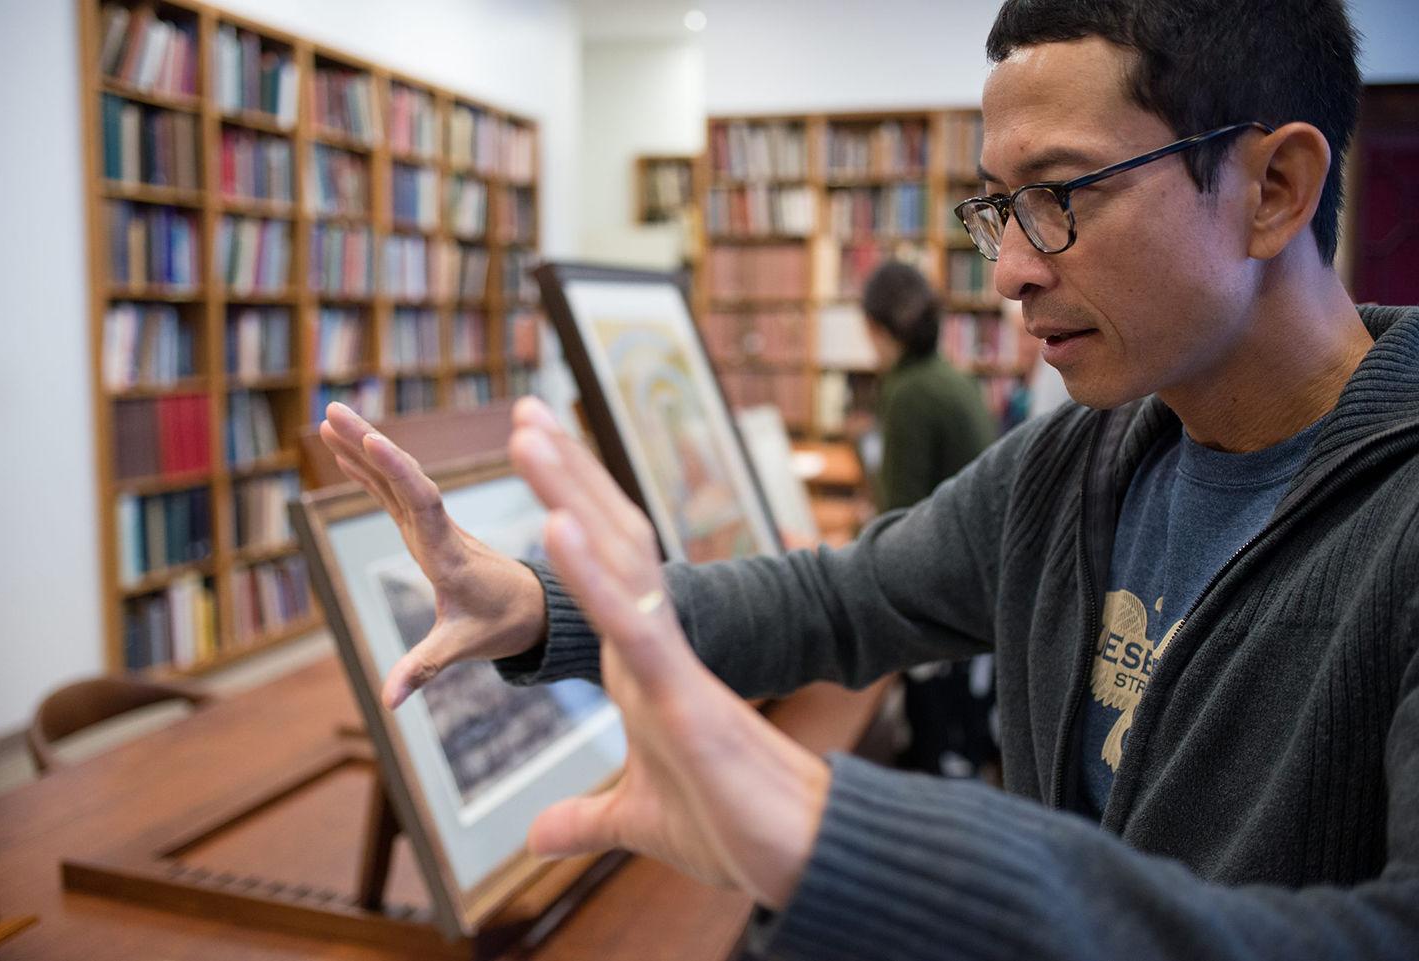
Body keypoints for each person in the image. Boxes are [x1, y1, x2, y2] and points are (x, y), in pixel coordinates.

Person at [319, 0, 1419, 956]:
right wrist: (538, 607)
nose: (1010, 271)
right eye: (998, 206)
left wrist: (835, 831)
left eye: (1061, 194)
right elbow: (840, 596)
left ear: (1273, 187)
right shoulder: (1076, 464)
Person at [861, 260, 1000, 779]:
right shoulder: (946, 376)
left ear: (874, 328)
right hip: (978, 592)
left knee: (932, 743)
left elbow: (902, 518)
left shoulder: (909, 392)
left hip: (945, 604)